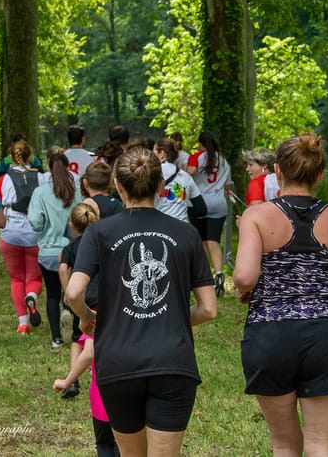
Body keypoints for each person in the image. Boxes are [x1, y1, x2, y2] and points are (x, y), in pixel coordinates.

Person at [65, 147, 217, 457]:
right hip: (172, 361)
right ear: (161, 186)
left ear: (117, 187)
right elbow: (208, 309)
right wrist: (172, 317)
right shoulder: (186, 234)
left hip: (118, 362)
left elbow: (72, 292)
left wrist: (86, 317)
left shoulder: (98, 232)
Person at [232, 134, 328, 457]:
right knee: (323, 443)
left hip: (270, 333)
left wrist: (247, 290)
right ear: (320, 175)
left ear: (278, 171)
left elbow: (243, 275)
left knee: (284, 443)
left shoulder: (257, 215)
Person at [27, 152, 82, 348]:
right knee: (72, 292)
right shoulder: (77, 192)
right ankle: (74, 328)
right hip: (73, 249)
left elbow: (34, 222)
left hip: (49, 251)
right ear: (69, 168)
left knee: (52, 293)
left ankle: (56, 338)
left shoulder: (40, 193)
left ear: (48, 168)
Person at [0, 139, 44, 333]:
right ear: (30, 155)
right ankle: (31, 295)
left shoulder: (3, 179)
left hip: (11, 232)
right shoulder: (41, 177)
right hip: (34, 233)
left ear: (11, 157)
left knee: (16, 278)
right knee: (34, 276)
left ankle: (23, 322)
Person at [57, 202, 100, 397]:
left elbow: (63, 269)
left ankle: (72, 381)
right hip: (103, 296)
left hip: (83, 298)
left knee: (78, 339)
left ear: (72, 225)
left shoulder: (70, 247)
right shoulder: (101, 244)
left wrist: (68, 293)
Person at [53, 334, 119, 457]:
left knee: (105, 444)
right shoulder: (140, 318)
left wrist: (68, 381)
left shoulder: (98, 316)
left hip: (102, 398)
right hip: (133, 396)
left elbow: (88, 353)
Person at [186, 131, 231, 297]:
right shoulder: (224, 161)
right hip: (218, 204)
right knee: (213, 241)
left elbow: (188, 173)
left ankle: (203, 277)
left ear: (200, 144)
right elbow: (227, 186)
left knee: (200, 241)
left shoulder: (196, 157)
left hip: (199, 203)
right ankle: (219, 273)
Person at [153, 138, 207, 222]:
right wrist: (181, 209)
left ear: (162, 154)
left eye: (153, 153)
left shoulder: (151, 174)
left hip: (158, 227)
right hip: (182, 228)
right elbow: (201, 209)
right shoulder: (186, 176)